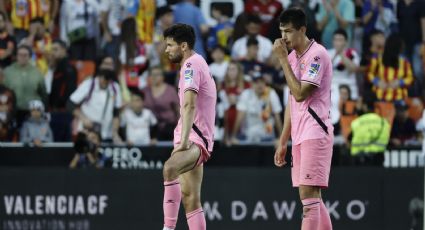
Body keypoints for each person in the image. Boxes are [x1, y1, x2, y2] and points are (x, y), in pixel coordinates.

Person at [273, 8, 333, 230]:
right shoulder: (291, 57)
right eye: (281, 32)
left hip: (315, 132)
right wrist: (282, 141)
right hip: (300, 134)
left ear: (302, 30)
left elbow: (300, 93)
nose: (284, 37)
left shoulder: (317, 55)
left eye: (288, 32)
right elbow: (292, 102)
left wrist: (282, 61)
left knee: (308, 198)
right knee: (313, 197)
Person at [162, 23, 216, 230]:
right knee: (190, 198)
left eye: (170, 45)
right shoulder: (197, 62)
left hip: (195, 137)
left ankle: (168, 228)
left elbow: (189, 103)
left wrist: (183, 142)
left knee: (170, 168)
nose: (166, 50)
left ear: (183, 46)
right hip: (192, 134)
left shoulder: (191, 65)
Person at [143, 66, 179, 141]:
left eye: (157, 75)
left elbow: (178, 110)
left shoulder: (170, 90)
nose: (154, 77)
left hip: (169, 127)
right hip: (150, 128)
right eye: (152, 75)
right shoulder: (144, 91)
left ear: (163, 77)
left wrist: (180, 128)